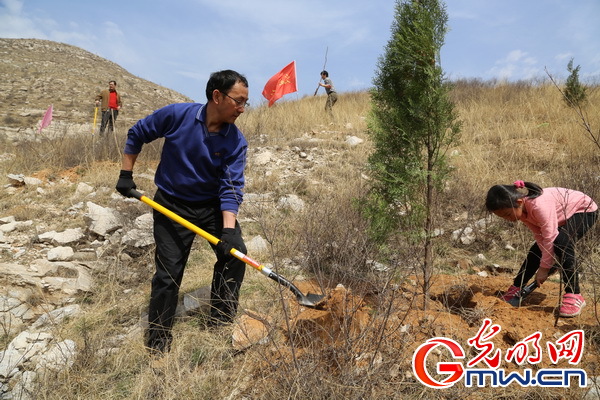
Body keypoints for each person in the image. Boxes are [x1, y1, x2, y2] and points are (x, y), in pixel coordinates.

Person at [115, 70, 250, 354]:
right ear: (217, 96)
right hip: (171, 204)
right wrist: (126, 174)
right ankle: (158, 340)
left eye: (244, 103)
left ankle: (220, 323)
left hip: (211, 206)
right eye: (238, 101)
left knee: (235, 256)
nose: (241, 108)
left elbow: (230, 188)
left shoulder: (235, 141)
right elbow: (137, 133)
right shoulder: (177, 115)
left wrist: (227, 231)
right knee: (168, 273)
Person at [486, 180, 597, 317]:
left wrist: (544, 269)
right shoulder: (523, 213)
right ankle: (517, 287)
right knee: (535, 251)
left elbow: (550, 237)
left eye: (508, 214)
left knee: (562, 244)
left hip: (583, 210)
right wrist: (545, 264)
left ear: (519, 202)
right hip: (561, 217)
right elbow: (540, 237)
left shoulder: (539, 205)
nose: (508, 219)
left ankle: (574, 294)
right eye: (503, 217)